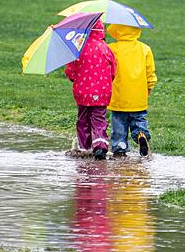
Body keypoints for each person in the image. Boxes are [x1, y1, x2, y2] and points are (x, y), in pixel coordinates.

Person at [64, 20, 117, 160]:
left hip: (82, 93)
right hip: (102, 92)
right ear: (101, 32)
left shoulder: (78, 48)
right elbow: (113, 70)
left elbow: (71, 70)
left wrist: (72, 77)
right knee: (99, 119)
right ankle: (100, 146)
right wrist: (108, 80)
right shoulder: (106, 48)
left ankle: (85, 147)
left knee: (83, 119)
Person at [106, 24, 157, 157]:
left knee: (119, 124)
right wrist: (149, 87)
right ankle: (141, 134)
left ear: (116, 31)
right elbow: (150, 72)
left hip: (118, 96)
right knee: (139, 118)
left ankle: (119, 148)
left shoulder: (112, 48)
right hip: (138, 95)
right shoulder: (145, 49)